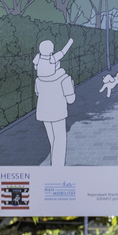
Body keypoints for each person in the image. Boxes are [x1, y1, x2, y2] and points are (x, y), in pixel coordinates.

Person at [33, 38, 75, 167]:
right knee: (60, 139)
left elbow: (38, 93)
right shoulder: (64, 78)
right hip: (58, 113)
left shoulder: (38, 80)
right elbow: (71, 99)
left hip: (44, 112)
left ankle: (55, 163)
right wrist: (72, 86)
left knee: (53, 140)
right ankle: (57, 167)